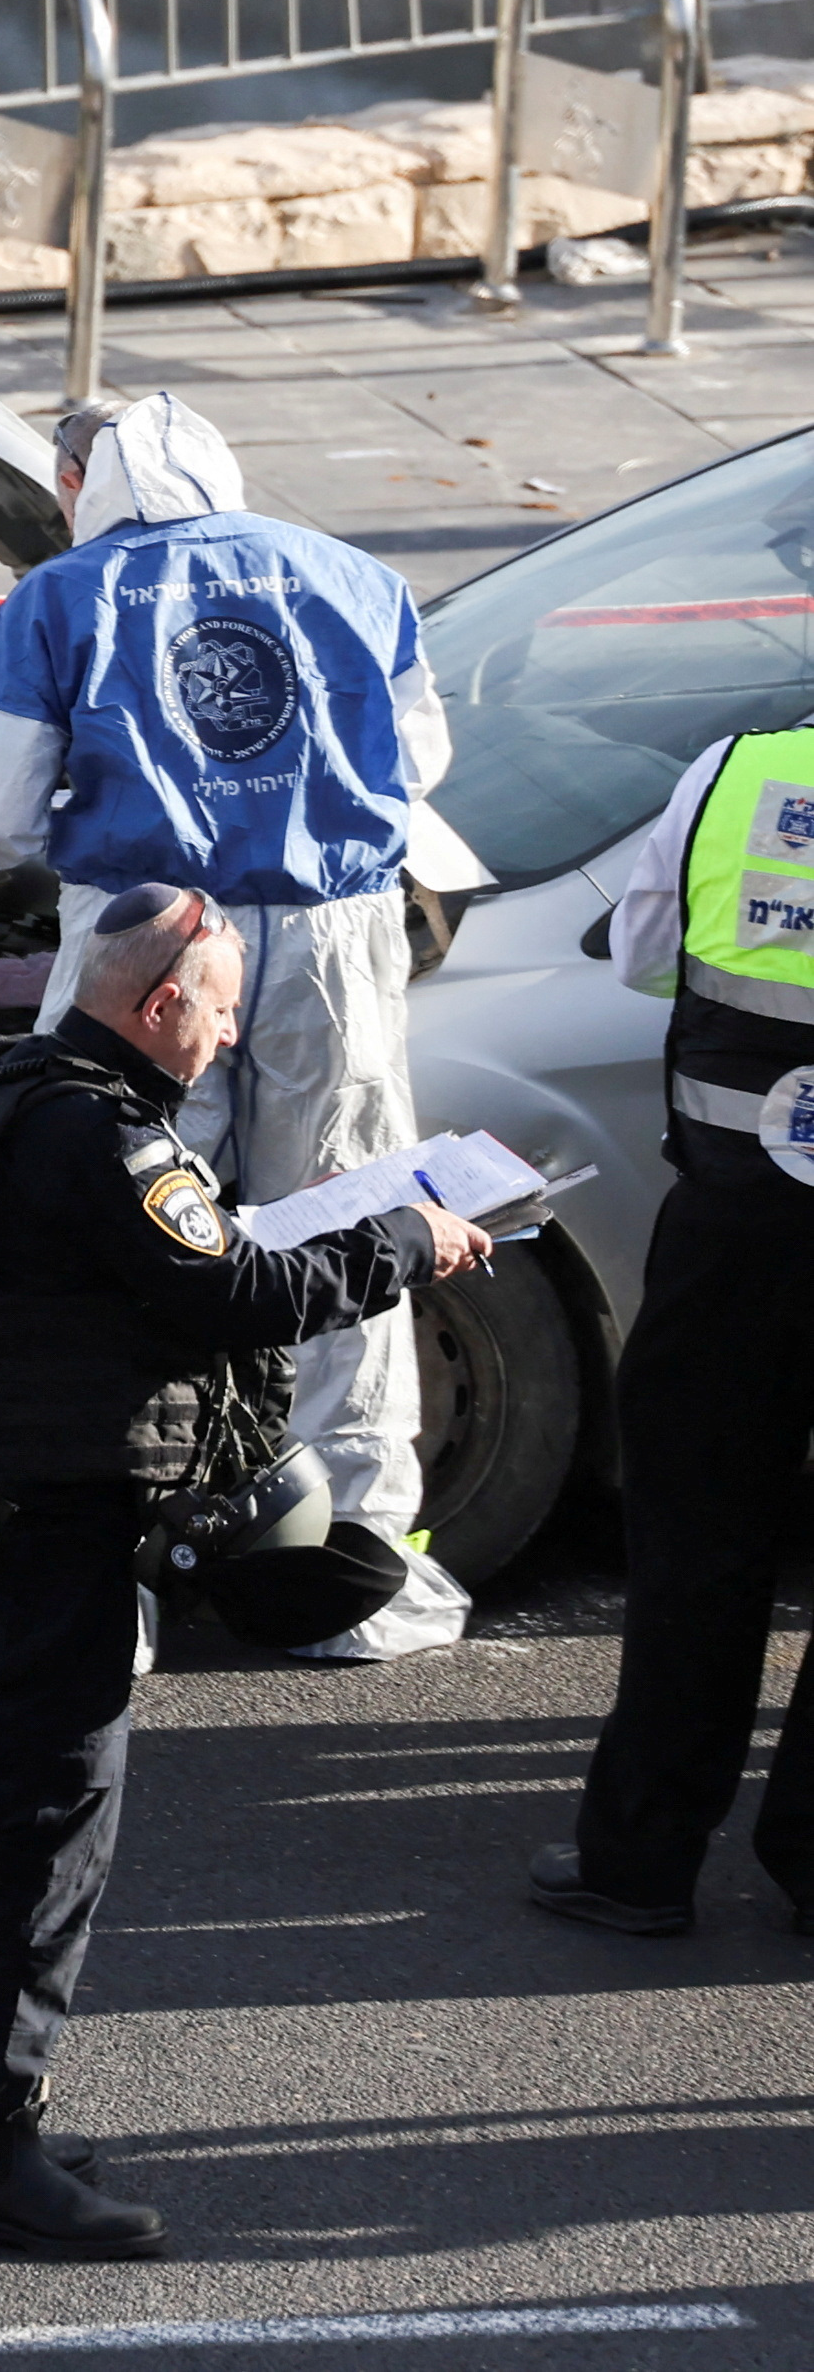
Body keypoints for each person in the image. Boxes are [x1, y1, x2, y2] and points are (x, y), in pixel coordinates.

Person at [0, 887, 483, 2253]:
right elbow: (243, 1293)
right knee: (45, 1829)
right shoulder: (103, 1137)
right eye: (218, 1007)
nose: (228, 1035)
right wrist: (407, 1237)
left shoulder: (9, 1092)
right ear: (160, 1003)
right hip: (53, 1532)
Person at [0, 390, 465, 1661]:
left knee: (120, 1227)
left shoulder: (62, 596)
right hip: (335, 926)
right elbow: (420, 760)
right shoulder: (350, 573)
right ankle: (361, 1571)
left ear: (84, 486)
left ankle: (116, 1585)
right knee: (346, 1217)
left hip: (151, 934)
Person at [528, 715, 814, 1937]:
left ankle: (639, 1859)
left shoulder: (740, 768)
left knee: (698, 1537)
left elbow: (647, 956)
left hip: (739, 1228)